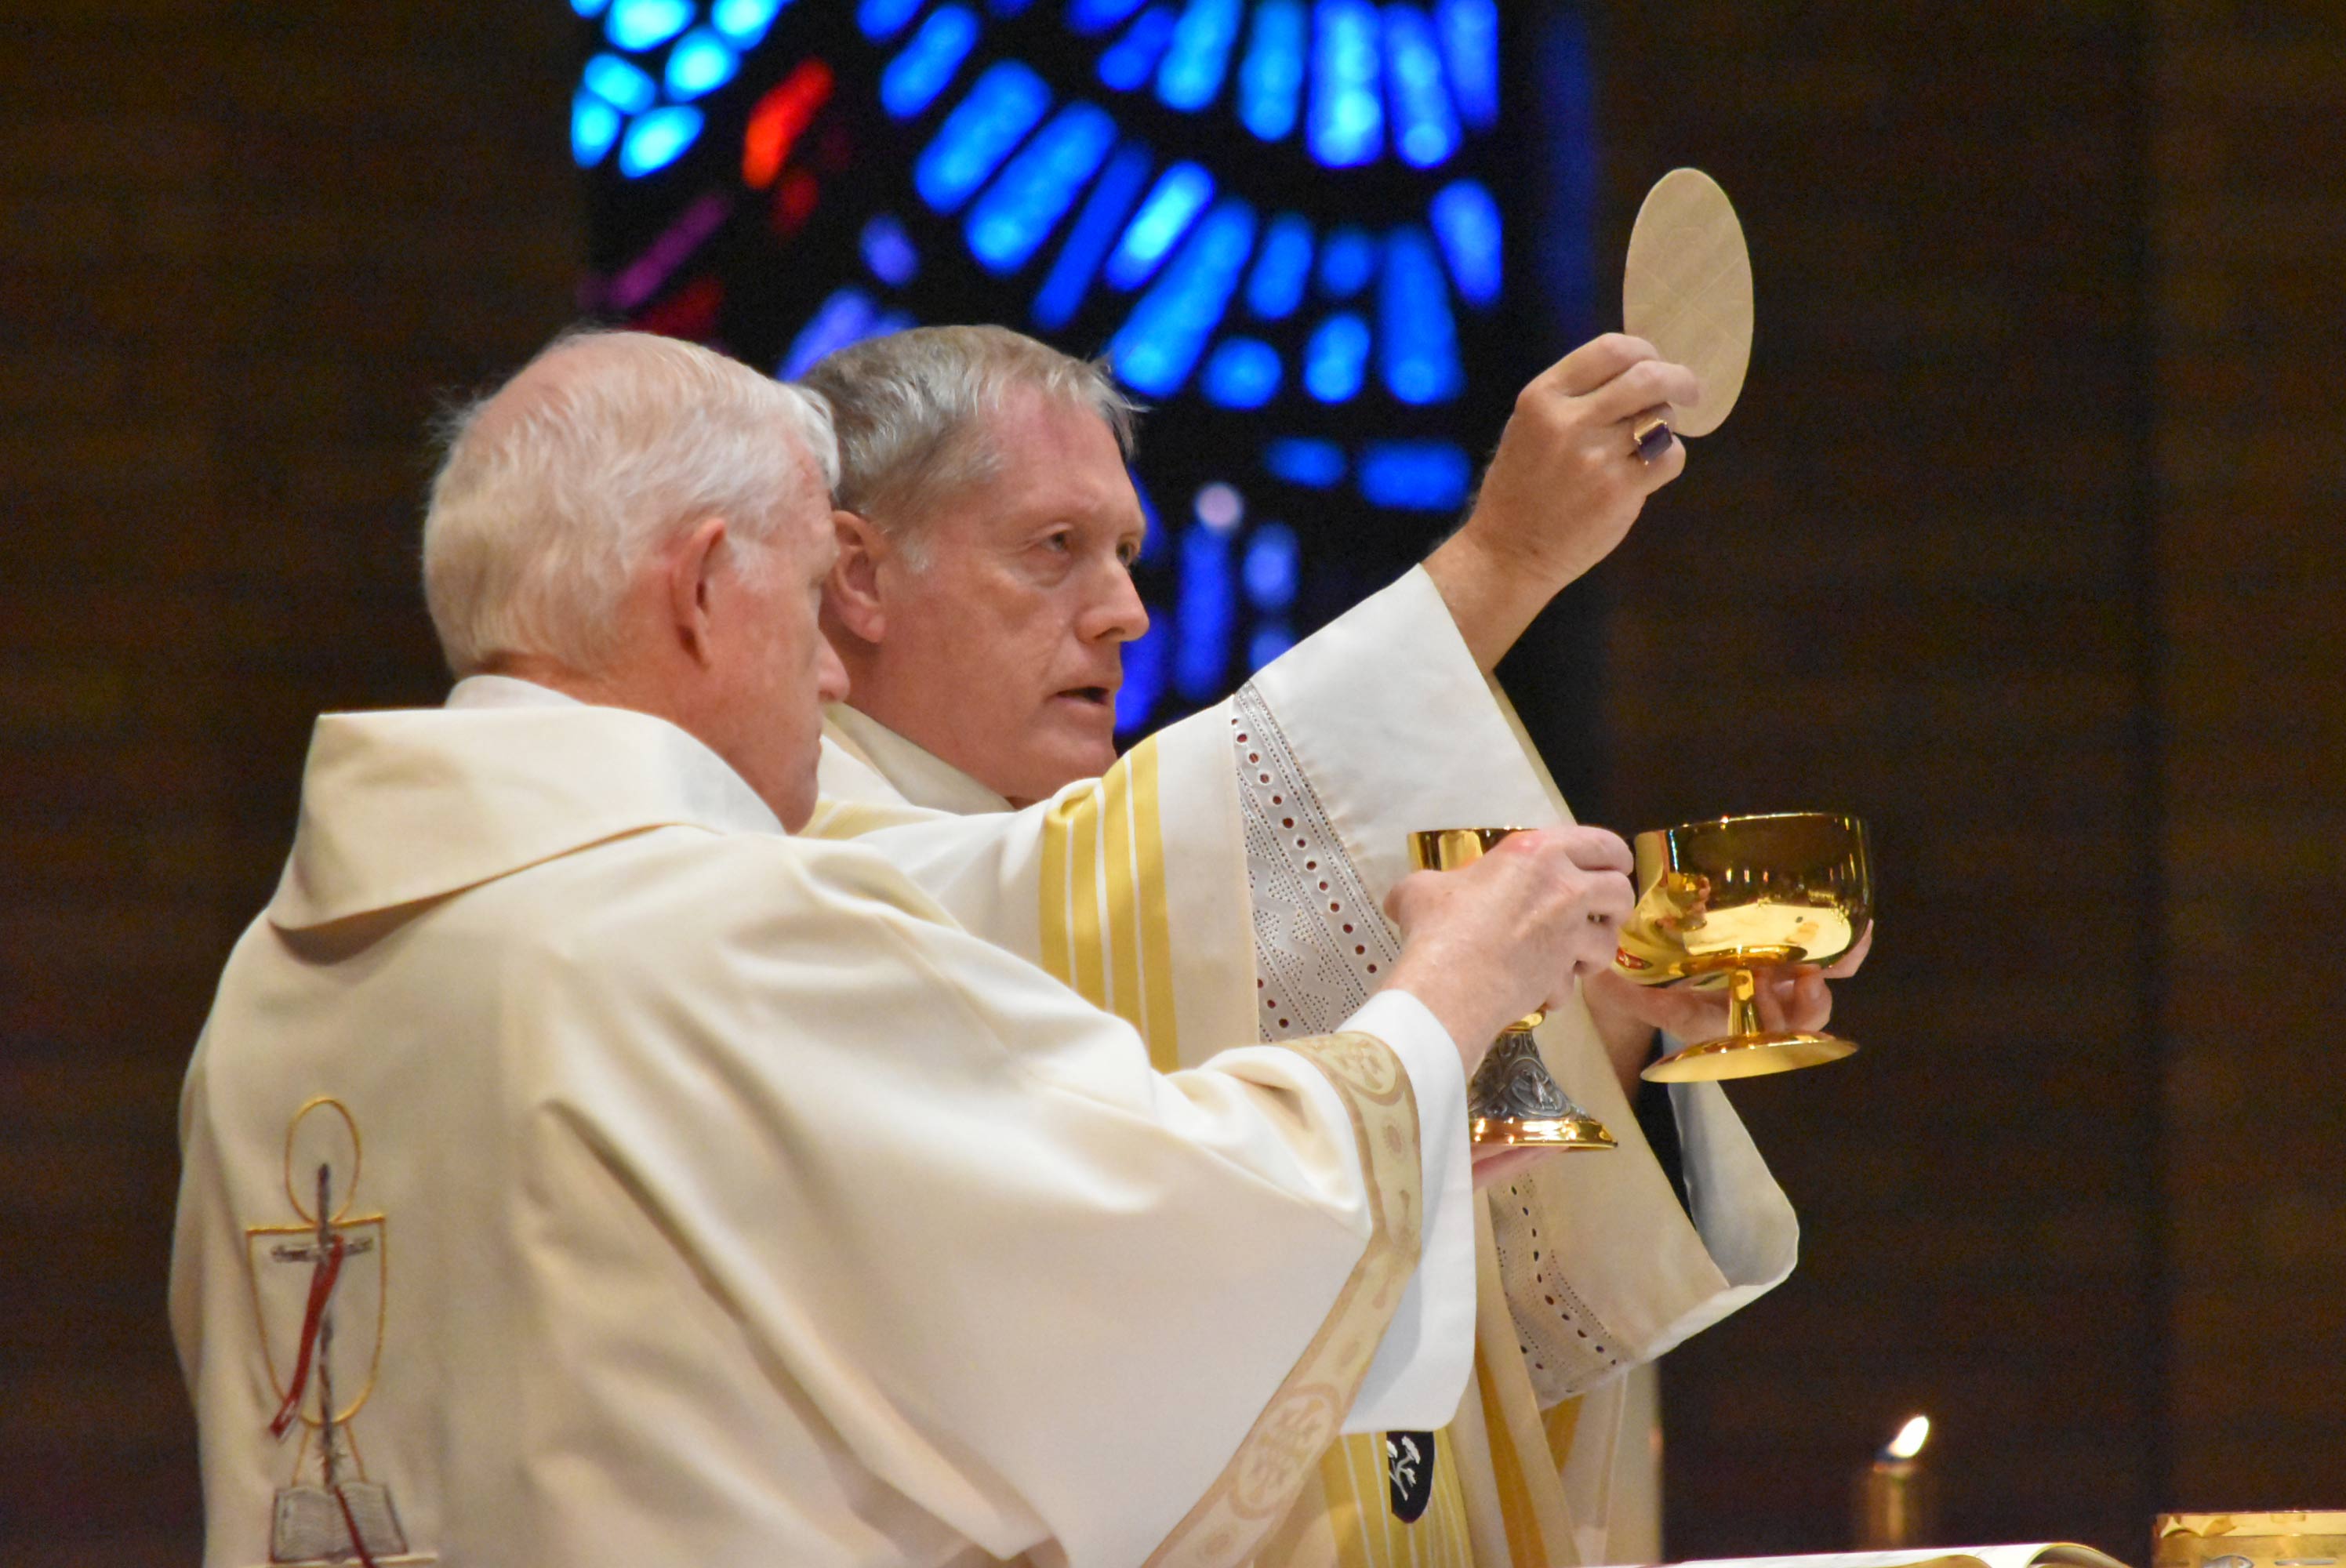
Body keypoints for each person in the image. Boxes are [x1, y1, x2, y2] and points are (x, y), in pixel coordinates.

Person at [167, 331, 1643, 1568]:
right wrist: (1448, 992)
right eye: (811, 594)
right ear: (701, 588)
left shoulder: (271, 990)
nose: (830, 665)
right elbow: (1160, 1239)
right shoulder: (701, 930)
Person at [800, 325, 1864, 1565]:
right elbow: (1055, 907)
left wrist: (1601, 1015)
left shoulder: (1036, 851)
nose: (1126, 613)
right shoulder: (796, 853)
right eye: (1054, 549)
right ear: (858, 577)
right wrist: (1505, 561)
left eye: (1127, 554)